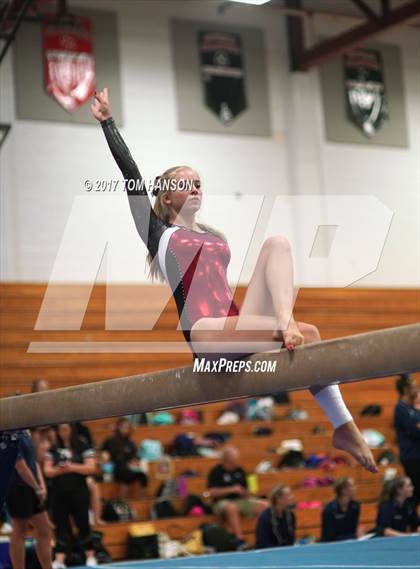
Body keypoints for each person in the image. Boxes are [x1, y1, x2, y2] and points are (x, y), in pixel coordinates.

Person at [91, 87, 376, 473]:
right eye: (184, 182)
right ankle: (344, 426)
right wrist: (108, 121)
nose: (194, 186)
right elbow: (131, 174)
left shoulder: (213, 236)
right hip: (207, 334)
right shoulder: (159, 234)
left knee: (278, 244)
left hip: (234, 323)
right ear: (166, 196)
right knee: (306, 336)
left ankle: (289, 328)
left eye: (198, 182)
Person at [43, 423, 97, 568]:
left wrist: (71, 467)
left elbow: (91, 467)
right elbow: (47, 471)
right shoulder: (53, 449)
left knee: (82, 523)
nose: (62, 433)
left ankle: (90, 556)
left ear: (72, 430)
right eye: (60, 430)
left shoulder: (82, 446)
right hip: (59, 492)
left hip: (79, 491)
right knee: (61, 525)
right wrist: (61, 470)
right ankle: (60, 559)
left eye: (65, 429)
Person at [5, 430, 53, 569]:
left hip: (31, 485)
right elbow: (20, 467)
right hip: (17, 487)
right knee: (20, 530)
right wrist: (37, 488)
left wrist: (41, 485)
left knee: (45, 529)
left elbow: (34, 462)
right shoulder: (7, 435)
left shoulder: (25, 431)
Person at [205, 446, 267, 544]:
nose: (235, 463)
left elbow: (247, 490)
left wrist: (245, 492)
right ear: (226, 460)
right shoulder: (216, 471)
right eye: (232, 461)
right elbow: (211, 492)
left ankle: (263, 536)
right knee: (232, 508)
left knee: (264, 505)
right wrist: (231, 489)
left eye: (236, 460)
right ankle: (239, 538)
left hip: (240, 500)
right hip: (221, 502)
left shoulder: (240, 470)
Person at [100, 417, 148, 498]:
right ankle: (123, 500)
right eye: (123, 426)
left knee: (142, 475)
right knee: (126, 473)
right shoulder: (110, 440)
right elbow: (102, 452)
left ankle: (142, 499)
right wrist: (104, 455)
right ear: (118, 427)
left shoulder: (130, 442)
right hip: (115, 467)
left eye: (127, 427)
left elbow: (134, 457)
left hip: (128, 467)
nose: (125, 429)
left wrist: (135, 463)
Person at [394, 374, 420, 506]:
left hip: (417, 455)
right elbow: (416, 431)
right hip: (411, 457)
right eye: (414, 387)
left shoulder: (414, 409)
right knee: (414, 492)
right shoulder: (401, 409)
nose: (417, 389)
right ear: (406, 390)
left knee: (415, 493)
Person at [321, 477, 361, 542]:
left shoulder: (355, 506)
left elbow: (353, 531)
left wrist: (357, 535)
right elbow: (327, 537)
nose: (355, 488)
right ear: (344, 490)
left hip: (351, 543)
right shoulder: (329, 510)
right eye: (352, 486)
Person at [255, 484, 295, 549]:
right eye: (288, 495)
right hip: (267, 555)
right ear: (278, 499)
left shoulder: (291, 516)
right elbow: (263, 543)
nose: (292, 497)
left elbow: (291, 541)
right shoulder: (265, 517)